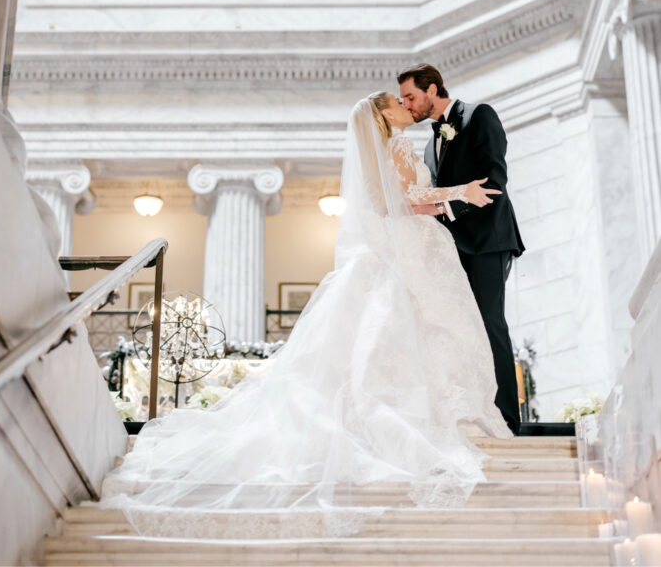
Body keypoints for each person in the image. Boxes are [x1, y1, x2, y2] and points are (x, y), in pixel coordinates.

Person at [101, 94, 509, 538]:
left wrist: (444, 205)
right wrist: (457, 194)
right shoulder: (393, 145)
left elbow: (398, 201)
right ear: (381, 115)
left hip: (412, 245)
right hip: (409, 247)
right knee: (407, 328)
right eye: (396, 101)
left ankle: (432, 411)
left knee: (410, 331)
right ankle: (427, 415)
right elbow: (403, 198)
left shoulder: (387, 147)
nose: (405, 106)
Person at [398, 63, 525, 434]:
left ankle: (506, 418)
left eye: (411, 96)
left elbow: (494, 181)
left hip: (488, 240)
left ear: (433, 89)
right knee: (462, 327)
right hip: (451, 248)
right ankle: (474, 411)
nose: (407, 105)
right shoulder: (427, 143)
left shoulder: (479, 115)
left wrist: (447, 209)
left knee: (489, 322)